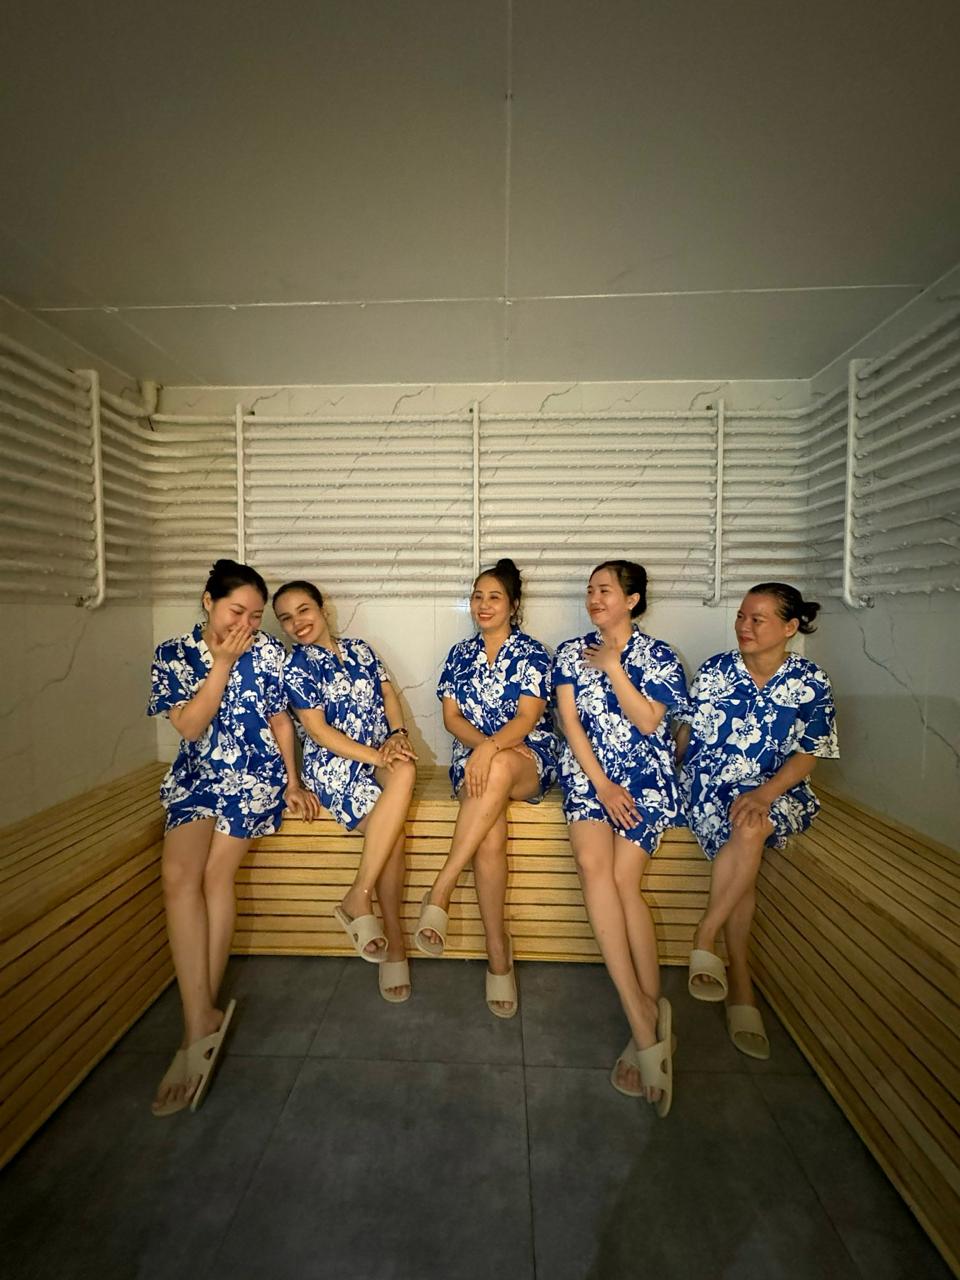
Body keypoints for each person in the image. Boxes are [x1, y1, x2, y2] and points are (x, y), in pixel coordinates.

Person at [148, 559, 319, 1116]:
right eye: (235, 611)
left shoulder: (266, 652)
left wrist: (292, 781)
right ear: (208, 601)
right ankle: (201, 1014)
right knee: (177, 877)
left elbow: (280, 721)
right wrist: (220, 663)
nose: (244, 624)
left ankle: (195, 1027)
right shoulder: (174, 654)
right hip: (196, 776)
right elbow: (190, 726)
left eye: (253, 615)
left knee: (215, 874)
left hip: (254, 775)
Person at [677, 582, 838, 1060]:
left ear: (790, 627)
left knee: (750, 824)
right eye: (741, 617)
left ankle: (706, 935)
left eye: (757, 619)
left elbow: (810, 753)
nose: (744, 626)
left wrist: (765, 793)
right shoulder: (717, 671)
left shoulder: (810, 680)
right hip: (711, 787)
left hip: (778, 788)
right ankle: (742, 987)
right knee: (746, 833)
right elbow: (687, 737)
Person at [553, 560, 688, 1116]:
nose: (594, 598)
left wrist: (613, 666)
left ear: (632, 600)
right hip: (590, 778)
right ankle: (643, 1017)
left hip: (646, 780)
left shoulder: (660, 657)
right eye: (590, 590)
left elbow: (651, 721)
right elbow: (570, 724)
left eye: (604, 590)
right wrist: (602, 784)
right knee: (594, 867)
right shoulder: (569, 653)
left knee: (624, 881)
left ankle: (646, 1022)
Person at [415, 559, 557, 1018]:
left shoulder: (533, 653)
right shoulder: (460, 654)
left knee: (496, 770)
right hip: (476, 761)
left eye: (494, 597)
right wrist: (482, 750)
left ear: (513, 606)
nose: (483, 604)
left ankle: (441, 889)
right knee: (489, 836)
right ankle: (499, 953)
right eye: (477, 596)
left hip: (527, 757)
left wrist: (491, 749)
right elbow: (451, 717)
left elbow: (528, 718)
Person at [273, 580, 417, 1002]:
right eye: (286, 618)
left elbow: (388, 694)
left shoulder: (361, 650)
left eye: (303, 610)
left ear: (322, 608)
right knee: (392, 837)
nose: (297, 622)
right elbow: (318, 731)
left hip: (379, 752)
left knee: (406, 768)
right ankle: (395, 944)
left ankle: (358, 895)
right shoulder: (296, 667)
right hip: (335, 767)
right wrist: (378, 757)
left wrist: (397, 735)